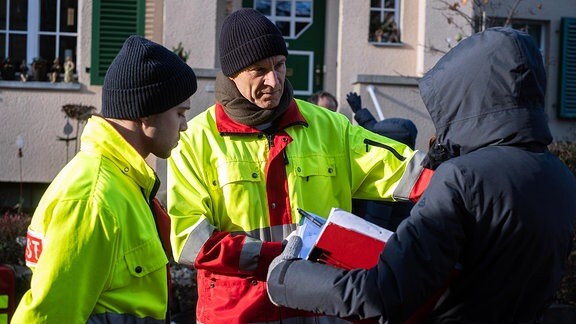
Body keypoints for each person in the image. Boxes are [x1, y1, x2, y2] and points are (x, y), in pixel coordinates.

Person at [266, 27, 576, 323]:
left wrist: (286, 277)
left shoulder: (462, 178)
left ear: (468, 94)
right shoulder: (561, 178)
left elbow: (382, 294)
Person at [167, 8, 431, 324]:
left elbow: (404, 172)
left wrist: (461, 179)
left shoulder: (331, 127)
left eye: (279, 66)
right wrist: (277, 258)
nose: (274, 80)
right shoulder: (195, 140)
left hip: (320, 310)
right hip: (240, 314)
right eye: (258, 70)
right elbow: (187, 239)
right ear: (231, 73)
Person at [12, 35, 198, 322]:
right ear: (147, 112)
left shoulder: (124, 182)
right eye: (180, 113)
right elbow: (49, 317)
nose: (185, 126)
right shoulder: (93, 199)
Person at [346, 91, 418, 231]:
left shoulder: (384, 175)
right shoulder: (409, 164)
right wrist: (360, 112)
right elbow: (375, 131)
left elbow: (374, 224)